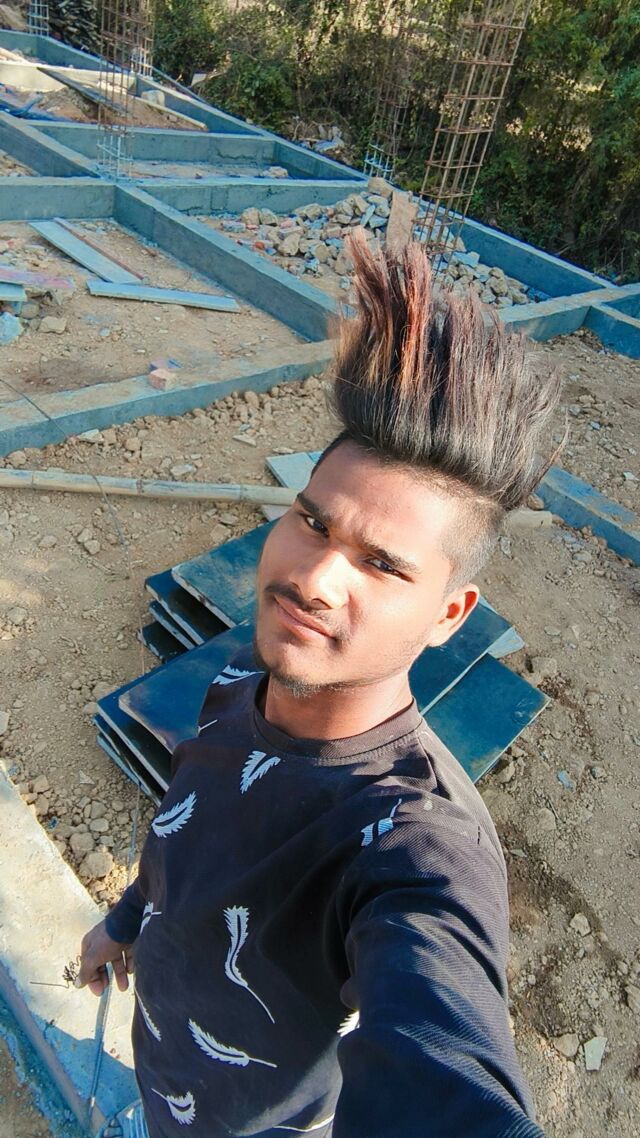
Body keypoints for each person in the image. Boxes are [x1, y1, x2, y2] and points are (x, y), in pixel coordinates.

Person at [77, 231, 561, 1138]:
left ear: (450, 614)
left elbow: (445, 1069)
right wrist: (125, 921)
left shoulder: (415, 843)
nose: (315, 578)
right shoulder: (240, 679)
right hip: (161, 1075)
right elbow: (187, 832)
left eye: (381, 563)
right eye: (312, 522)